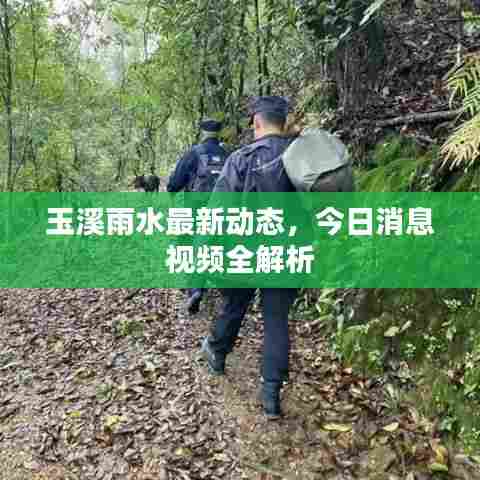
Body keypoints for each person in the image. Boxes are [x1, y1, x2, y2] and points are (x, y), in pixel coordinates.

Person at [200, 96, 298, 420]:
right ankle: (271, 395)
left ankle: (217, 353)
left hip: (244, 249)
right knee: (276, 319)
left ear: (257, 122)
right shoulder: (299, 157)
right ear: (283, 123)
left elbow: (217, 211)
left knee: (234, 304)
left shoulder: (241, 158)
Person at [167, 119, 228, 315]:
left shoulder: (194, 153)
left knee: (187, 243)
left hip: (195, 207)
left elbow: (175, 183)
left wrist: (172, 189)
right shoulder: (228, 154)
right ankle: (220, 287)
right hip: (221, 208)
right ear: (219, 133)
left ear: (202, 133)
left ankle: (194, 289)